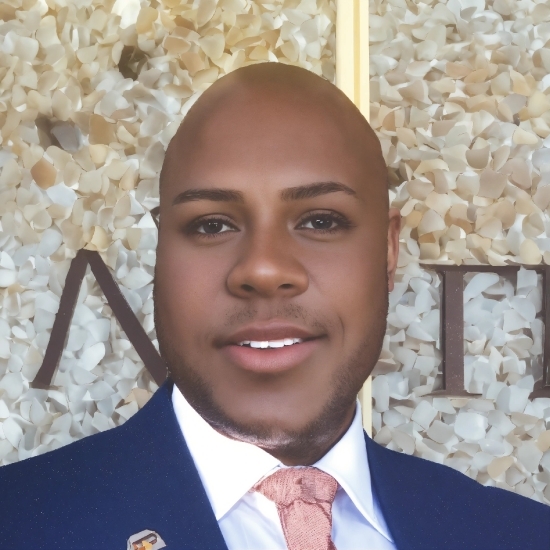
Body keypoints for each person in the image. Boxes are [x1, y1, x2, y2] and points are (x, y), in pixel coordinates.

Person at [0, 62, 548, 550]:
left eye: (320, 221)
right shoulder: (19, 525)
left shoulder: (520, 535)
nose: (263, 269)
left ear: (387, 250)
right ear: (160, 253)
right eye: (212, 225)